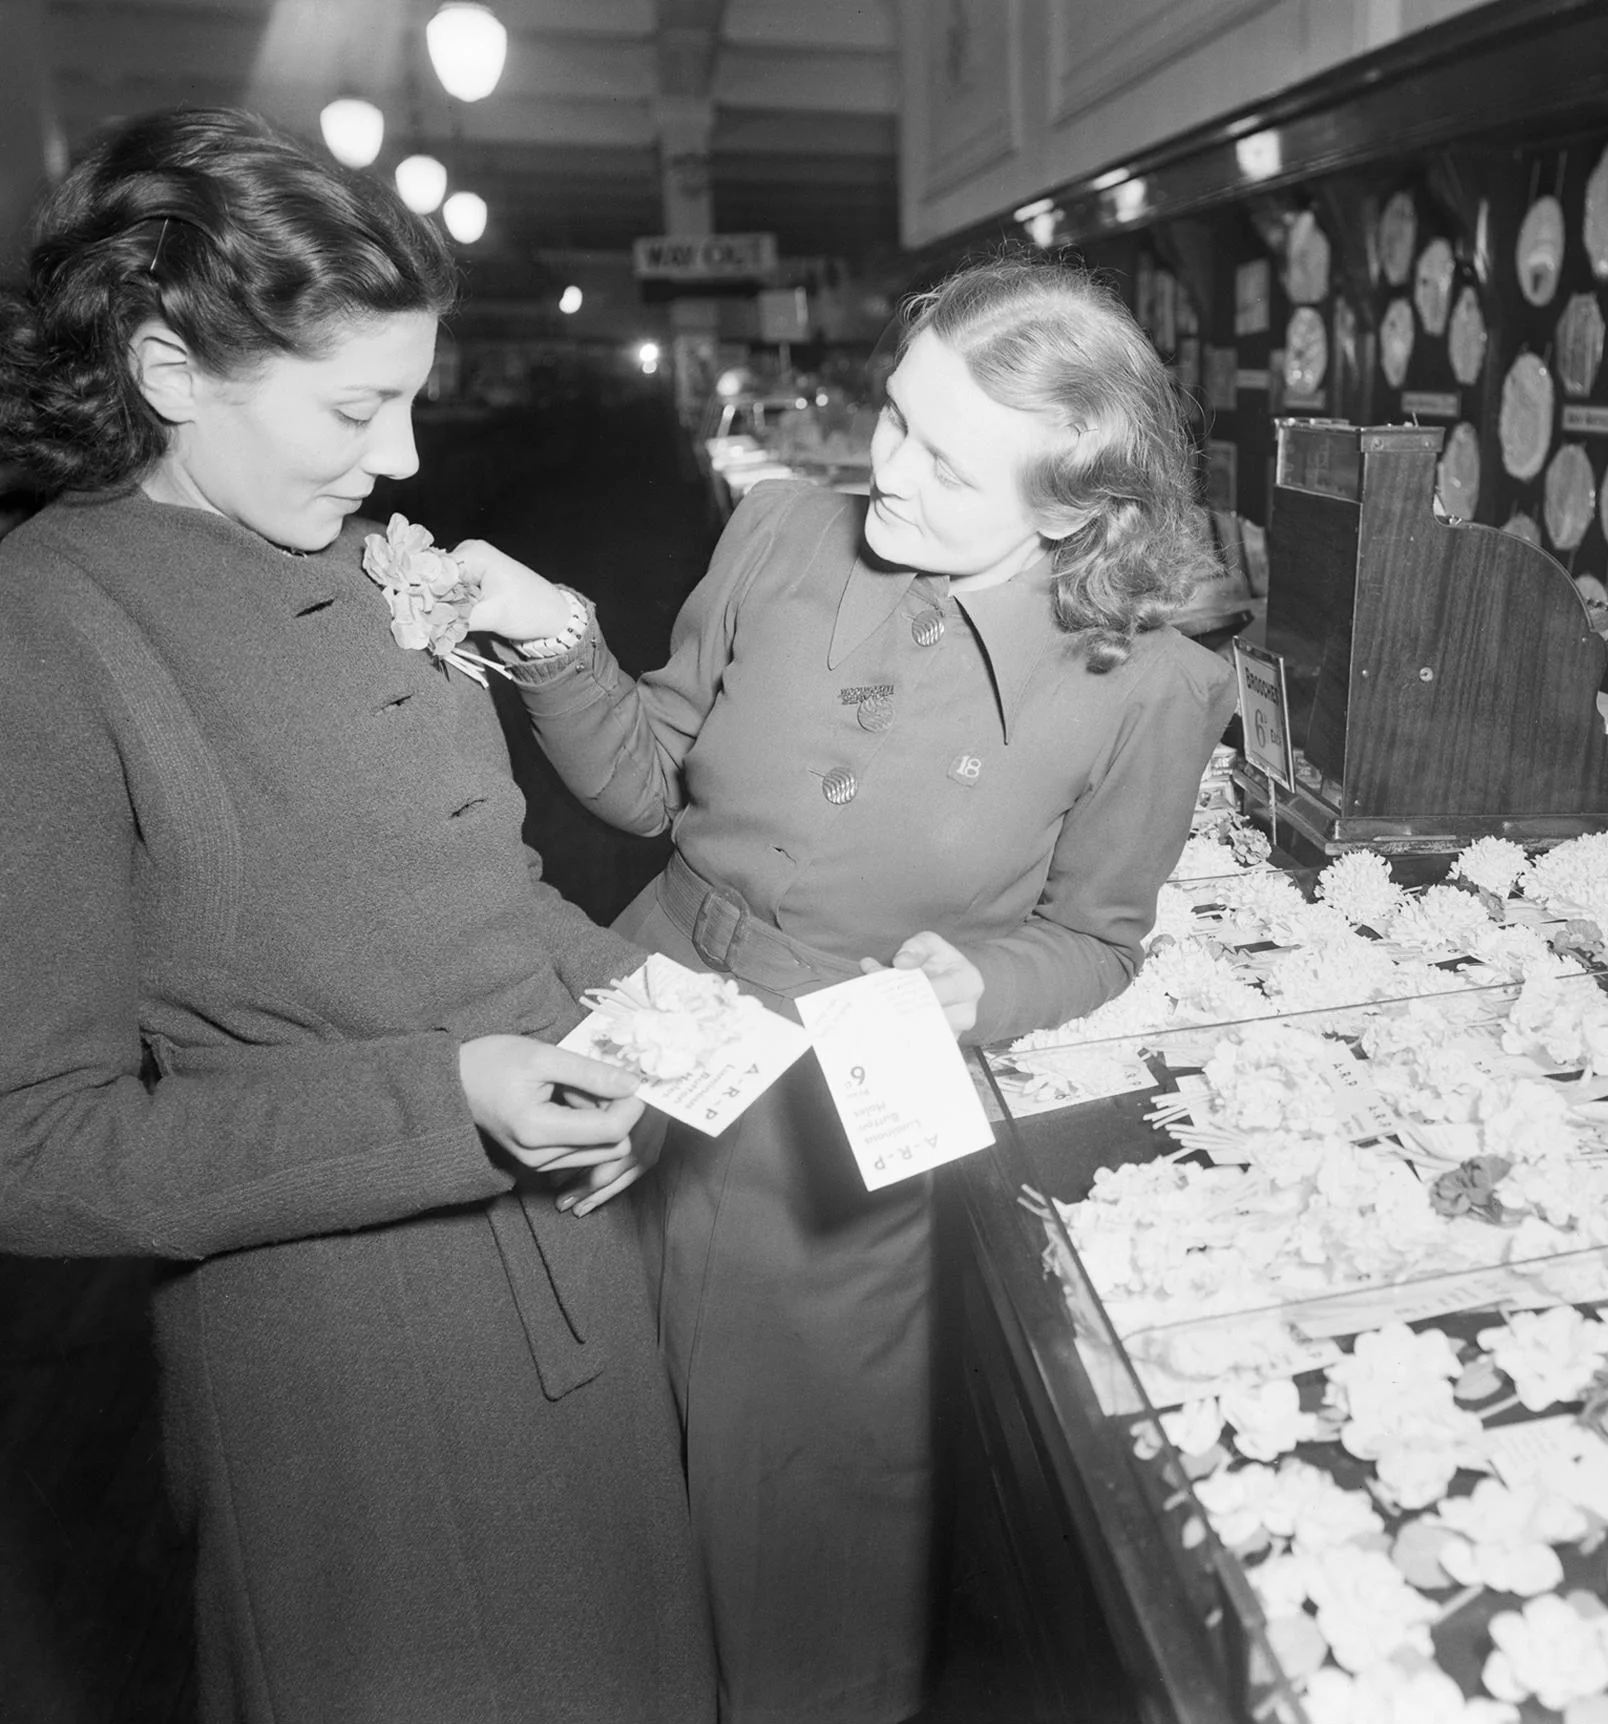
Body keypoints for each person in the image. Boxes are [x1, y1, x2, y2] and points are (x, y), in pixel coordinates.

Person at [0, 109, 715, 1721]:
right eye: (354, 405)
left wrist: (657, 1051)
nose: (402, 459)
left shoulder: (366, 551)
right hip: (353, 1388)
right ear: (173, 375)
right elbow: (34, 1144)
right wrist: (445, 1103)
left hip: (582, 1285)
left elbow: (489, 888)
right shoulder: (48, 632)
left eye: (410, 399)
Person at [467, 256, 1238, 1723]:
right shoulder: (779, 530)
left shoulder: (1152, 691)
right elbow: (646, 780)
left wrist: (985, 982)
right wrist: (559, 641)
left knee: (806, 1513)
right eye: (894, 418)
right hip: (643, 1017)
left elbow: (1100, 937)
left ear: (1070, 507)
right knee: (581, 1455)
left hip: (841, 1115)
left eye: (947, 466)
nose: (884, 471)